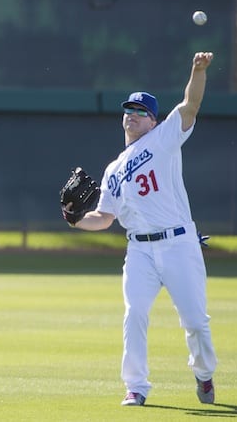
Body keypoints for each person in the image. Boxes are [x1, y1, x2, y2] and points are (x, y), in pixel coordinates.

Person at [66, 52, 217, 406]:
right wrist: (74, 219)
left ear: (152, 121)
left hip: (179, 243)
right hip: (139, 250)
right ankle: (136, 386)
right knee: (134, 313)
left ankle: (204, 374)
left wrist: (197, 71)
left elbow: (191, 105)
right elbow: (103, 218)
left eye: (140, 112)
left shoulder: (164, 138)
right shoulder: (113, 170)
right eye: (128, 111)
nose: (132, 115)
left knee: (195, 321)